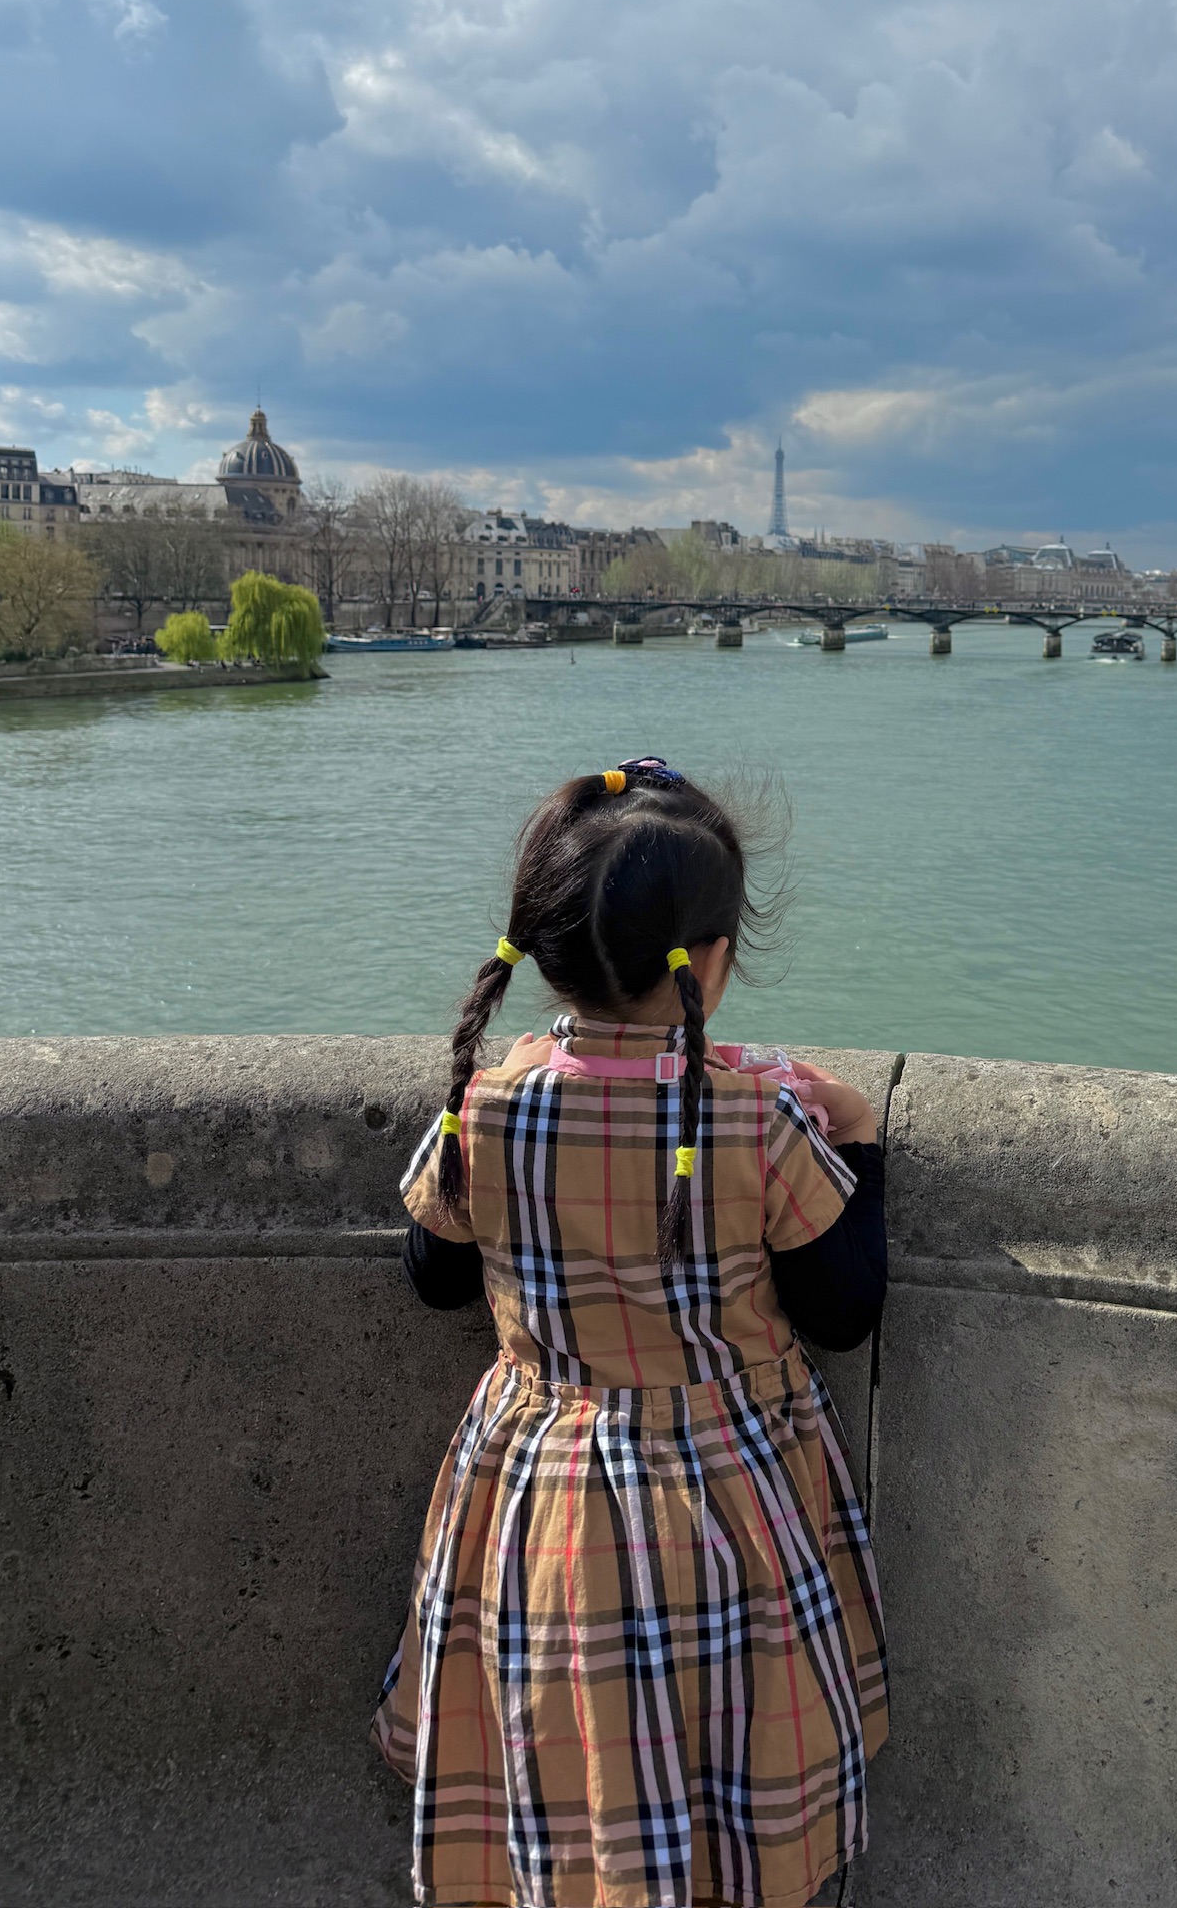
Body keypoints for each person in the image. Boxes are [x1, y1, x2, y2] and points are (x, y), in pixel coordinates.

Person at [376, 759, 889, 1908]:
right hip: (729, 1493)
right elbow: (844, 1309)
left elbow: (433, 1277)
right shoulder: (756, 1116)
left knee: (573, 1764)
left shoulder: (489, 1104)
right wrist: (858, 1132)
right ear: (713, 959)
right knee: (726, 1751)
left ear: (545, 952)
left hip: (537, 1499)